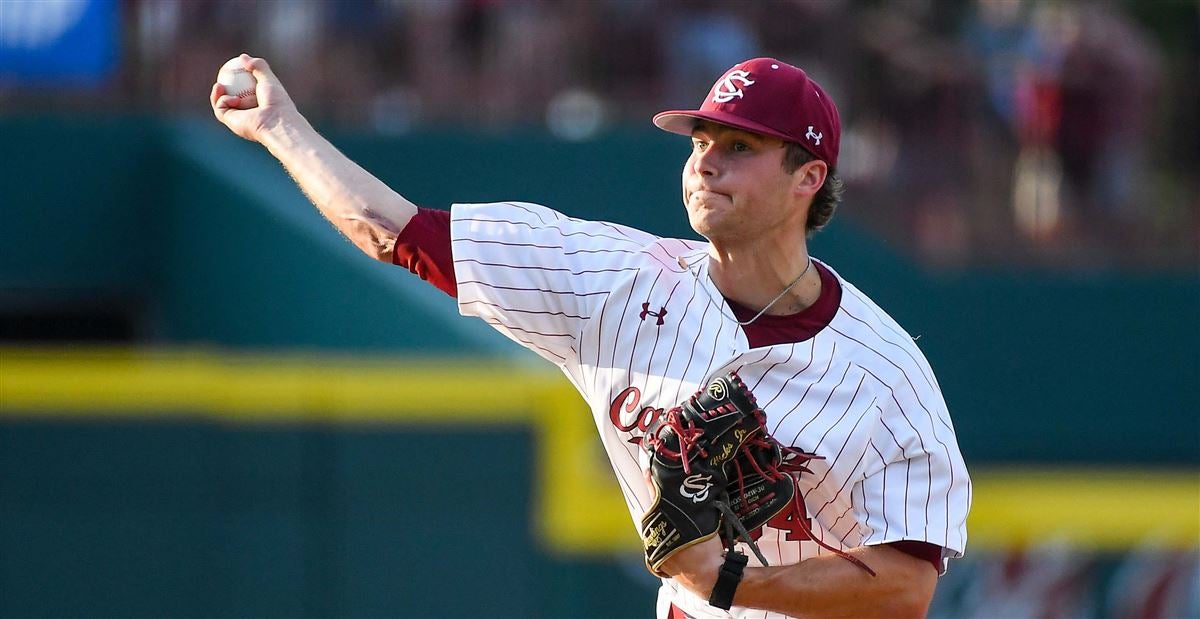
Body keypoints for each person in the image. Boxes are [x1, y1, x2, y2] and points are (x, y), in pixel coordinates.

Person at [211, 53, 971, 619]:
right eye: (699, 141)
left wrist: (732, 581)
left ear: (809, 177)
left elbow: (907, 586)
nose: (705, 163)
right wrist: (283, 129)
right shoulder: (614, 279)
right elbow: (395, 231)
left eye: (738, 147)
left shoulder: (884, 370)